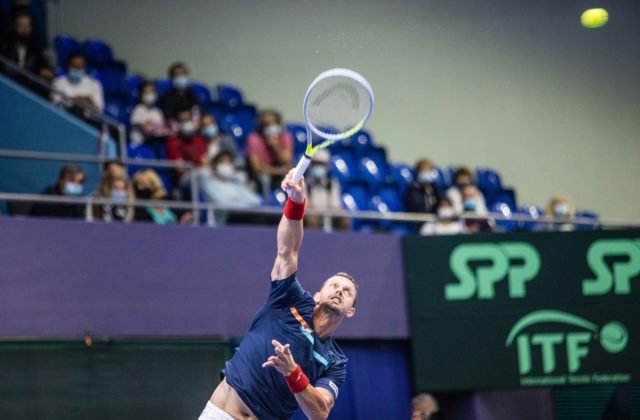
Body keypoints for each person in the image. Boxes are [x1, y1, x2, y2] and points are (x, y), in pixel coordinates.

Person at [199, 170, 357, 419]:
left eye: (347, 292)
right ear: (317, 295)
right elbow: (287, 250)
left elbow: (320, 412)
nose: (339, 290)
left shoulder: (335, 362)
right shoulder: (289, 298)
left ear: (350, 311)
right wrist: (296, 202)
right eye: (334, 285)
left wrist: (293, 372)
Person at [246, 109, 293, 199]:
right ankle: (267, 204)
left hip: (279, 172)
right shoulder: (253, 139)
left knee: (292, 176)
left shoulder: (285, 137)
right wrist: (278, 171)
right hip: (263, 174)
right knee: (264, 178)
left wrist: (276, 147)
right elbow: (256, 167)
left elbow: (287, 160)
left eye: (273, 123)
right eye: (267, 124)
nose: (271, 127)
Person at [0, 11, 52, 83]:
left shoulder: (35, 47)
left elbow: (44, 66)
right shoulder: (5, 45)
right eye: (21, 25)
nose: (25, 29)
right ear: (15, 27)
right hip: (9, 83)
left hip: (30, 85)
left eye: (28, 26)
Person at [304, 149, 346, 230]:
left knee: (343, 220)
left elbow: (336, 206)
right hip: (312, 215)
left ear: (327, 166)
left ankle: (342, 242)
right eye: (316, 164)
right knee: (311, 220)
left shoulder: (333, 183)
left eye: (321, 164)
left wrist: (326, 212)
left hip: (329, 214)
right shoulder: (305, 183)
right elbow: (305, 206)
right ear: (311, 165)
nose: (318, 167)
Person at [166, 107, 208, 183]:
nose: (186, 124)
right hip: (184, 179)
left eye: (188, 120)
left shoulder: (199, 140)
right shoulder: (173, 142)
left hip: (201, 174)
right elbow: (181, 169)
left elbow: (205, 162)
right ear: (178, 124)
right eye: (183, 121)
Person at [130, 81, 170, 148]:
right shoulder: (138, 110)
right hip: (140, 144)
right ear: (140, 95)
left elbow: (161, 129)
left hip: (153, 144)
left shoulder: (158, 112)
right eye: (146, 92)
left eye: (152, 91)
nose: (149, 94)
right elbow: (145, 130)